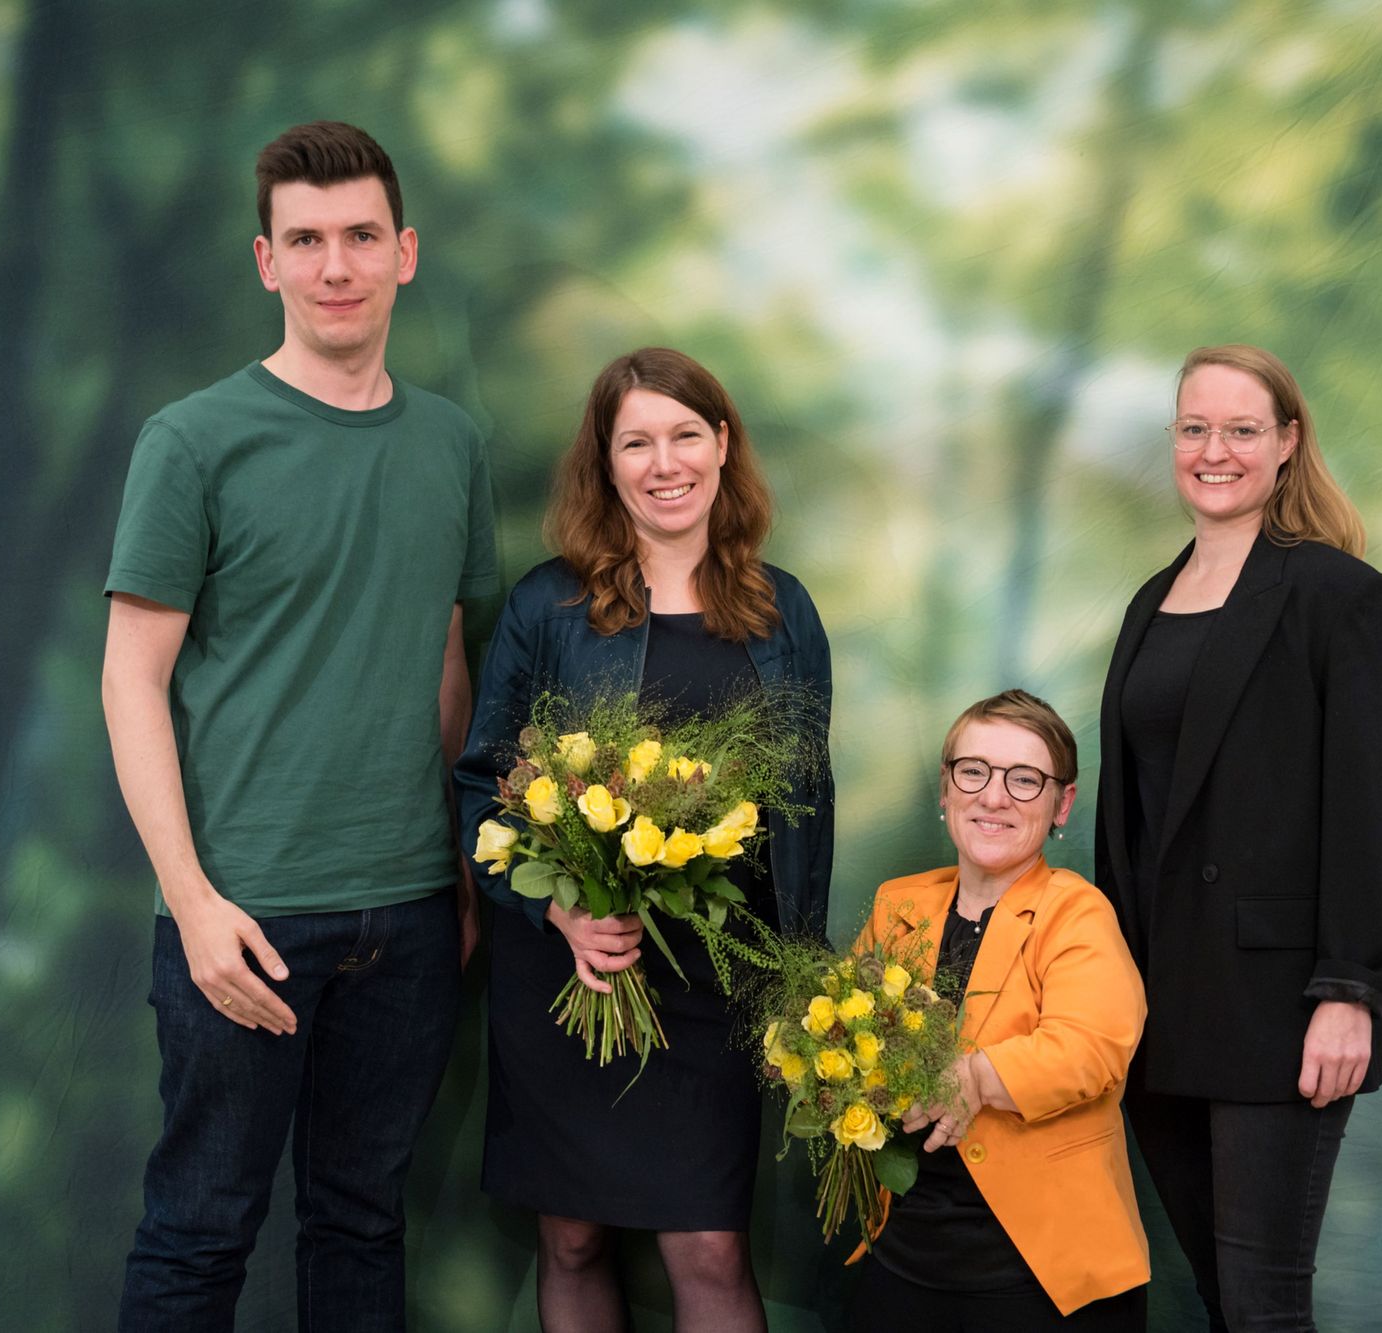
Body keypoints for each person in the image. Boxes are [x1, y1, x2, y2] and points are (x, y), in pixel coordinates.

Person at [102, 121, 497, 1330]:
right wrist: (194, 900)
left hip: (413, 915)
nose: (337, 265)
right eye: (307, 240)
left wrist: (467, 871)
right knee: (198, 1233)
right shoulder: (193, 440)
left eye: (361, 237)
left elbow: (441, 657)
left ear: (405, 253)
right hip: (245, 915)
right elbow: (130, 681)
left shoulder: (448, 441)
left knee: (362, 1225)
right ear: (264, 261)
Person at [453, 347, 834, 1332]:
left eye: (682, 435)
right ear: (606, 462)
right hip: (568, 968)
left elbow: (804, 813)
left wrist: (796, 975)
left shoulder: (783, 611)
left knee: (710, 1246)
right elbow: (480, 786)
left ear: (720, 445)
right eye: (636, 442)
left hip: (718, 977)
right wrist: (560, 905)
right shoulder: (548, 605)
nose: (663, 463)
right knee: (571, 1236)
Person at [1096, 344, 1382, 1330]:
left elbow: (1371, 805)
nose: (1212, 449)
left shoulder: (1333, 595)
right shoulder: (1150, 600)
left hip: (1279, 1005)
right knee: (1219, 1298)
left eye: (1240, 429)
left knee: (1263, 1303)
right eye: (1193, 428)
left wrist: (1348, 990)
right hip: (1154, 1005)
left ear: (1284, 444)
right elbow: (1131, 813)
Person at [848, 690, 1150, 1331]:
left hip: (1037, 1273)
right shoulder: (896, 904)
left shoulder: (1078, 913)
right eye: (975, 771)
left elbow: (1092, 1048)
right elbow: (850, 1033)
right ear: (946, 788)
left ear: (1061, 804)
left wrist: (973, 1078)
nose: (994, 796)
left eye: (1025, 780)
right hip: (902, 1251)